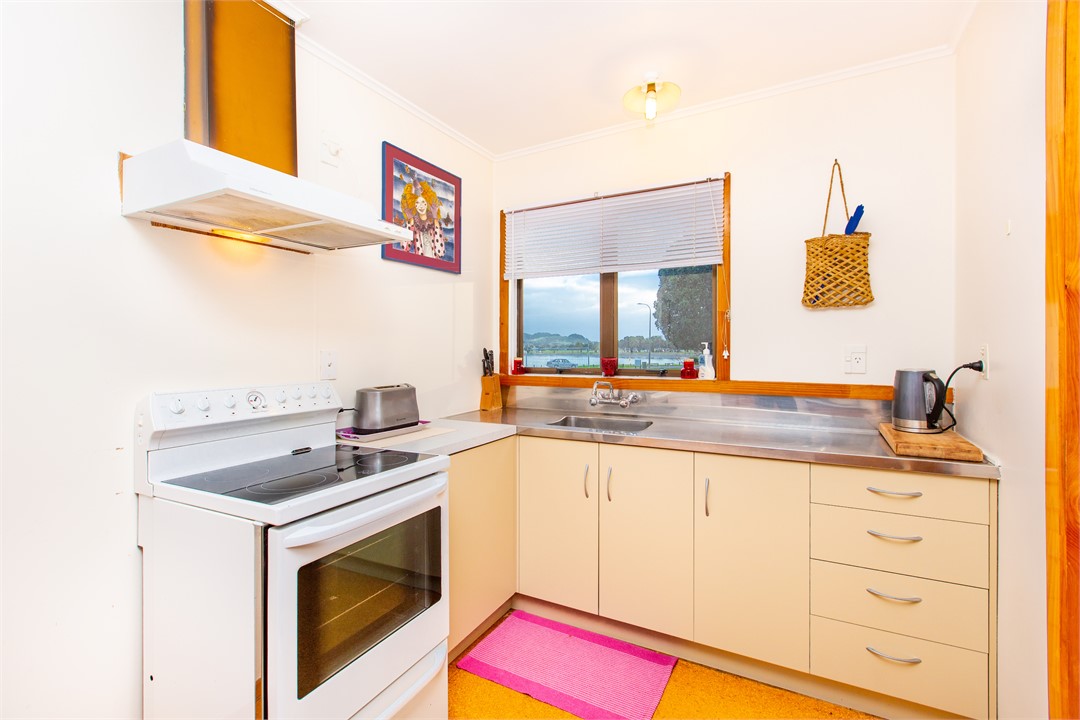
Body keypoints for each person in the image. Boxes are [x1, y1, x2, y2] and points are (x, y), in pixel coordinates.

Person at [398, 176, 446, 259]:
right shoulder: (413, 223)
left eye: (423, 201)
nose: (421, 206)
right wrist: (411, 220)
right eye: (417, 203)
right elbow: (405, 247)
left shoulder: (434, 222)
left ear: (428, 202)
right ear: (413, 205)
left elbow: (441, 252)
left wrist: (435, 219)